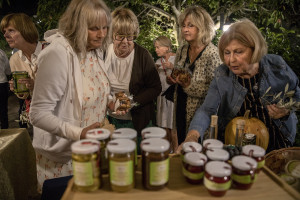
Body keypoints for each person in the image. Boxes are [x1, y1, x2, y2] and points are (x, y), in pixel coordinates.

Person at [177, 19, 300, 154]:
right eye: (227, 52)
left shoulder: (276, 65)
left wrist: (286, 110)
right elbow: (207, 110)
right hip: (235, 147)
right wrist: (192, 137)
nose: (231, 60)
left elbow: (297, 95)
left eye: (238, 52)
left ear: (255, 49)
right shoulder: (222, 74)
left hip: (276, 143)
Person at [29, 0, 112, 192]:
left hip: (90, 151)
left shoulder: (94, 50)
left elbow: (91, 91)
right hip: (64, 157)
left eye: (105, 27)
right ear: (77, 26)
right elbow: (38, 114)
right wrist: (80, 133)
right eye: (94, 29)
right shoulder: (56, 54)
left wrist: (110, 102)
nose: (101, 35)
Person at [105, 8, 161, 146]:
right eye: (120, 36)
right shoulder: (103, 52)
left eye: (129, 36)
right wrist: (108, 101)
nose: (125, 41)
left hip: (138, 121)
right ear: (112, 35)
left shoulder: (143, 55)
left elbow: (155, 88)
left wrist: (131, 102)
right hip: (109, 119)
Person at [167, 6, 222, 147]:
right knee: (180, 143)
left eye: (190, 26)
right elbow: (178, 72)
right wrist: (173, 79)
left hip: (201, 113)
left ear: (202, 27)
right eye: (184, 25)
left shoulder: (213, 54)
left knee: (196, 150)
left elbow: (216, 92)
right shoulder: (182, 49)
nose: (185, 29)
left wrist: (189, 86)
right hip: (180, 105)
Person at [1, 13, 43, 129]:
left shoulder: (50, 52)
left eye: (11, 30)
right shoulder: (14, 59)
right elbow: (24, 96)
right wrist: (18, 89)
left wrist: (36, 84)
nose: (5, 35)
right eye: (4, 31)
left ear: (25, 30)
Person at [153, 36, 176, 150]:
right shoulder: (158, 61)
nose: (156, 49)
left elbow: (185, 73)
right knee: (164, 126)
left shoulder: (176, 59)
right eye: (155, 47)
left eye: (158, 47)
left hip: (172, 97)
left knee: (173, 127)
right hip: (161, 97)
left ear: (167, 47)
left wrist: (172, 67)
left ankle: (176, 153)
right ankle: (167, 151)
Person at [0, 49, 11, 129]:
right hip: (2, 84)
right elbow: (8, 71)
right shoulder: (1, 52)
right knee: (3, 110)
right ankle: (5, 131)